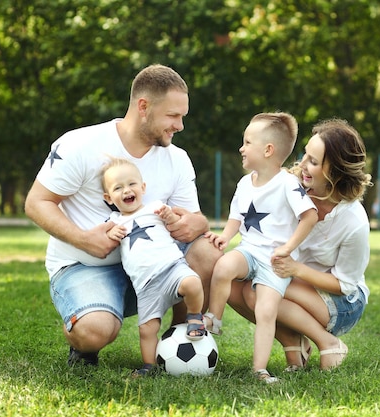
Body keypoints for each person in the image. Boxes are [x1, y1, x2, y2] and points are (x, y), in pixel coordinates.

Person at [24, 64, 221, 367]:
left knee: (207, 251)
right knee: (94, 332)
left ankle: (178, 342)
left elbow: (193, 221)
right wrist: (84, 239)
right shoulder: (79, 144)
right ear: (143, 107)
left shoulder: (178, 159)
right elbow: (37, 202)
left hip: (153, 267)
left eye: (183, 116)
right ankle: (84, 331)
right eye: (173, 116)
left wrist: (199, 222)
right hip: (86, 266)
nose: (180, 125)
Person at [227, 118, 372, 372]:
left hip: (342, 302)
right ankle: (292, 342)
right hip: (295, 283)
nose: (302, 165)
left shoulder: (353, 220)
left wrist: (296, 269)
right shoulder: (291, 188)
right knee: (236, 284)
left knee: (261, 288)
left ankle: (328, 342)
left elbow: (345, 285)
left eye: (314, 162)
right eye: (305, 155)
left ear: (335, 172)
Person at [203, 112, 318, 383]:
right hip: (250, 250)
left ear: (268, 150)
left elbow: (309, 216)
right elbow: (236, 216)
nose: (241, 148)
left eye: (247, 142)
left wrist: (288, 248)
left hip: (274, 262)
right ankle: (214, 318)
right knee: (223, 266)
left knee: (265, 312)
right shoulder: (245, 183)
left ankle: (260, 369)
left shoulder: (288, 184)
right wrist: (225, 237)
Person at [101, 157, 206, 377]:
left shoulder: (156, 208)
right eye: (118, 188)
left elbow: (176, 224)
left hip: (172, 268)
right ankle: (149, 365)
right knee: (147, 329)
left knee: (193, 283)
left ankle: (194, 316)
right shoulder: (114, 220)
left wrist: (170, 218)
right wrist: (111, 234)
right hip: (146, 286)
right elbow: (104, 239)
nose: (126, 190)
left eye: (131, 184)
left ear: (143, 187)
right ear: (109, 198)